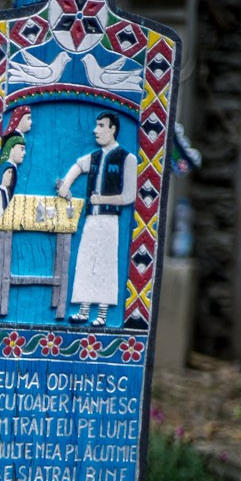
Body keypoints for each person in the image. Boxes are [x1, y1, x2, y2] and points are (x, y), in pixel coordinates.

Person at [56, 112, 137, 327]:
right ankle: (83, 310)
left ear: (112, 129)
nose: (96, 130)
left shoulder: (127, 159)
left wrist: (102, 198)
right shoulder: (94, 157)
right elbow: (76, 167)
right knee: (85, 261)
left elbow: (129, 196)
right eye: (96, 125)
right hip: (92, 218)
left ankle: (102, 313)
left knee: (106, 264)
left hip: (110, 221)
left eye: (101, 126)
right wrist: (66, 184)